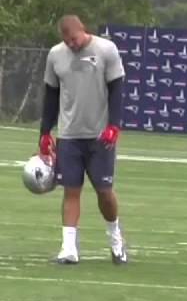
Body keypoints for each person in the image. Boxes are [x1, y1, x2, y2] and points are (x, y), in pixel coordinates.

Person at [39, 15, 128, 265]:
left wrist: (114, 126)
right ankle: (69, 248)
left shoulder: (106, 49)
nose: (72, 45)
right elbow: (51, 95)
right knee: (70, 191)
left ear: (83, 30)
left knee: (105, 192)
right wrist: (45, 133)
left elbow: (117, 89)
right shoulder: (55, 55)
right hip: (69, 135)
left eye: (74, 39)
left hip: (99, 136)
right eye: (67, 42)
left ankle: (116, 239)